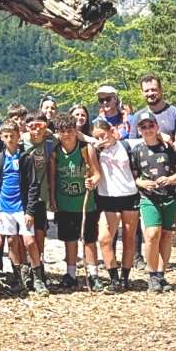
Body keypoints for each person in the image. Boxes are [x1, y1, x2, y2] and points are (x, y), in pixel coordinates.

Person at [139, 73, 176, 276]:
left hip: (173, 170)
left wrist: (164, 143)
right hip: (148, 175)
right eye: (147, 91)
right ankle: (154, 262)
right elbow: (135, 144)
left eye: (154, 89)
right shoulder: (139, 116)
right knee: (151, 223)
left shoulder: (175, 113)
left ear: (161, 90)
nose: (150, 93)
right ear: (142, 93)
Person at [131, 109, 176, 293]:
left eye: (150, 125)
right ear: (139, 130)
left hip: (169, 197)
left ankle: (161, 274)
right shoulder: (137, 151)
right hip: (149, 198)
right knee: (152, 234)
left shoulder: (169, 149)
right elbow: (133, 177)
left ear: (156, 127)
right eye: (143, 127)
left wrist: (170, 180)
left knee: (166, 235)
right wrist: (142, 183)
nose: (147, 129)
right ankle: (152, 274)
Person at [0, 120, 43, 296]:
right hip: (5, 207)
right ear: (1, 137)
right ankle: (18, 277)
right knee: (11, 242)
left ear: (18, 136)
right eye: (6, 136)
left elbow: (33, 185)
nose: (10, 139)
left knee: (29, 241)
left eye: (12, 135)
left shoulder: (26, 158)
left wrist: (30, 211)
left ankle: (38, 277)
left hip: (21, 207)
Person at [51, 113, 103, 291]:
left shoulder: (86, 149)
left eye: (70, 130)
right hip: (65, 202)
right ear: (58, 132)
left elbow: (97, 174)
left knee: (89, 240)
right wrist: (52, 198)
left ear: (76, 130)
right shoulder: (55, 151)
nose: (67, 134)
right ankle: (71, 274)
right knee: (70, 239)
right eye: (63, 131)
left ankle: (93, 274)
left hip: (86, 203)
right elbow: (52, 177)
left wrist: (92, 181)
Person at [92, 117, 140, 292]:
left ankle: (125, 278)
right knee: (104, 239)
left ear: (111, 131)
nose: (101, 140)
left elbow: (147, 139)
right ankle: (114, 279)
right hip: (107, 197)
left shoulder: (126, 146)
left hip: (129, 195)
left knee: (129, 238)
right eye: (97, 137)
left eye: (103, 135)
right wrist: (95, 147)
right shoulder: (95, 150)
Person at [21, 112, 54, 292]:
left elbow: (71, 134)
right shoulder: (21, 142)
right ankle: (26, 268)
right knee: (26, 238)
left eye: (40, 125)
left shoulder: (49, 142)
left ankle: (38, 268)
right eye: (32, 126)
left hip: (40, 196)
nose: (36, 130)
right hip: (22, 197)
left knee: (40, 235)